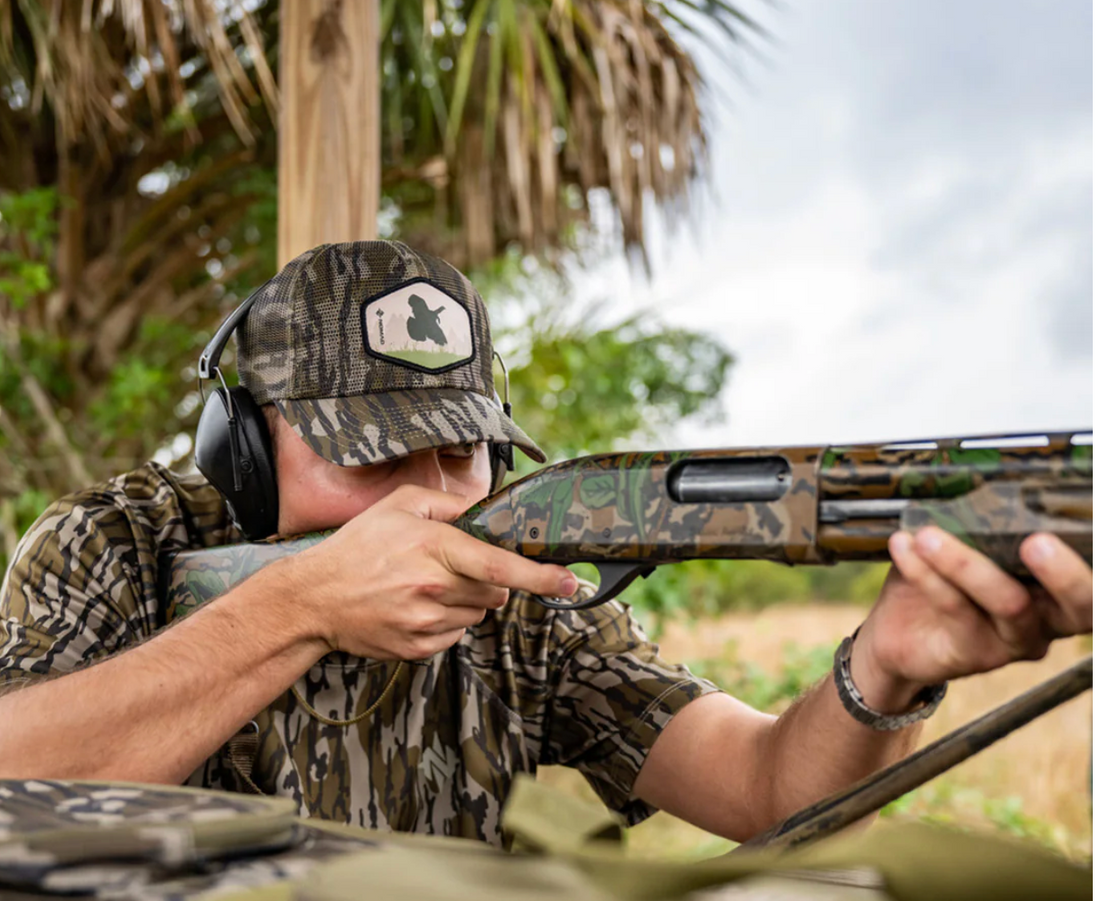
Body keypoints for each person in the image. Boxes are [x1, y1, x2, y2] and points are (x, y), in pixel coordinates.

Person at [0, 241, 1091, 846]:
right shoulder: (120, 542)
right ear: (241, 447)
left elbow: (762, 787)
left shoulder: (521, 593)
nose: (430, 496)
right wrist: (297, 605)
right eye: (371, 453)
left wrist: (883, 669)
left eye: (462, 452)